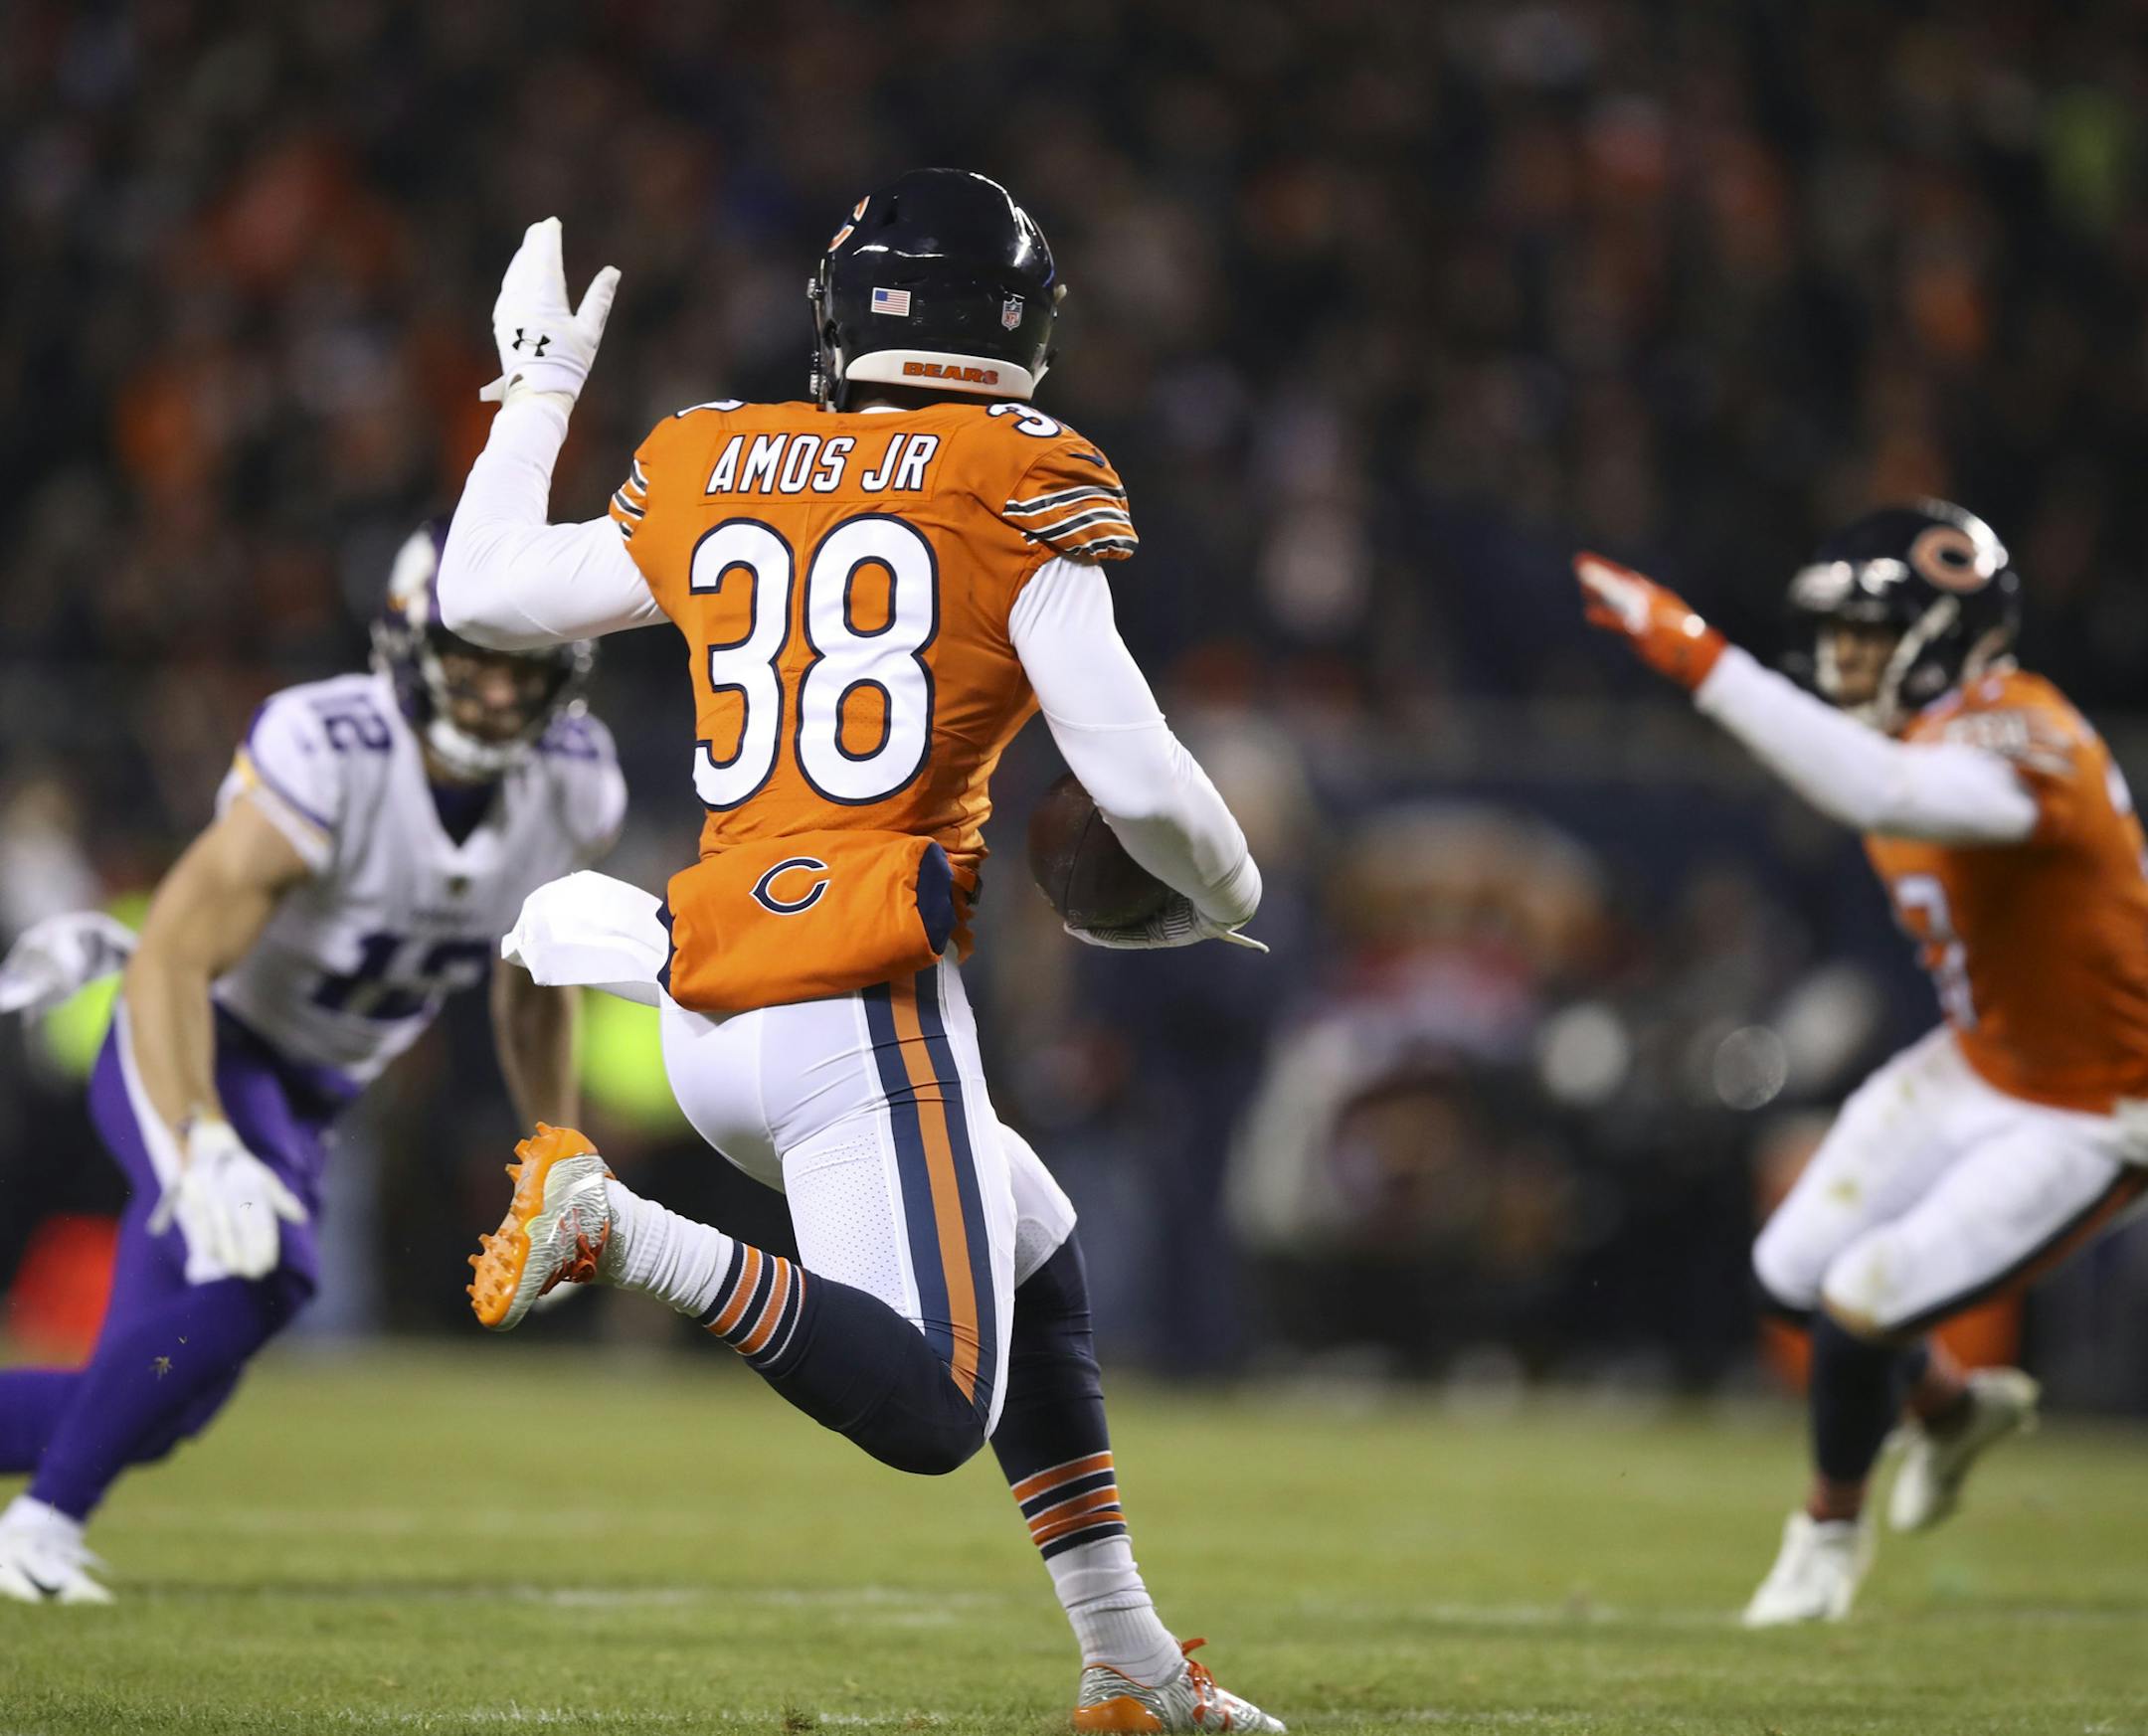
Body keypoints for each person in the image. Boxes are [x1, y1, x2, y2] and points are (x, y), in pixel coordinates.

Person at [437, 171, 1280, 1731]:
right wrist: (1230, 890)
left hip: (712, 1001)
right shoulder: (1021, 470)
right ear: (1018, 328)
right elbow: (1144, 780)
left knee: (1036, 1242)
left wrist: (537, 388)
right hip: (863, 1006)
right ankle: (621, 1231)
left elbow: (481, 591)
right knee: (936, 1402)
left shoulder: (713, 450)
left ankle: (1131, 1665)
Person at [0, 526, 624, 1604]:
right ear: (410, 649)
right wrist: (200, 1138)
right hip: (198, 1043)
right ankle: (39, 1534)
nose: (494, 693)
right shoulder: (333, 749)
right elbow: (172, 957)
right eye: (471, 660)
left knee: (157, 1394)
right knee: (264, 1269)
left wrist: (560, 1151)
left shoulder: (575, 784)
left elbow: (534, 977)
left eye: (522, 668)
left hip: (311, 1091)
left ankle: (57, 1498)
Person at [1574, 503, 2148, 1626]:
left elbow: (1882, 792)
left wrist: (1698, 656)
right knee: (1789, 1273)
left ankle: (1825, 1538)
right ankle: (1951, 1411)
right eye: (1838, 634)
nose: (1844, 659)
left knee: (1861, 1301)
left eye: (1870, 634)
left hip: (2095, 1100)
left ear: (1947, 635)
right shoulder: (1921, 734)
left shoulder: (2023, 736)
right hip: (1983, 1058)